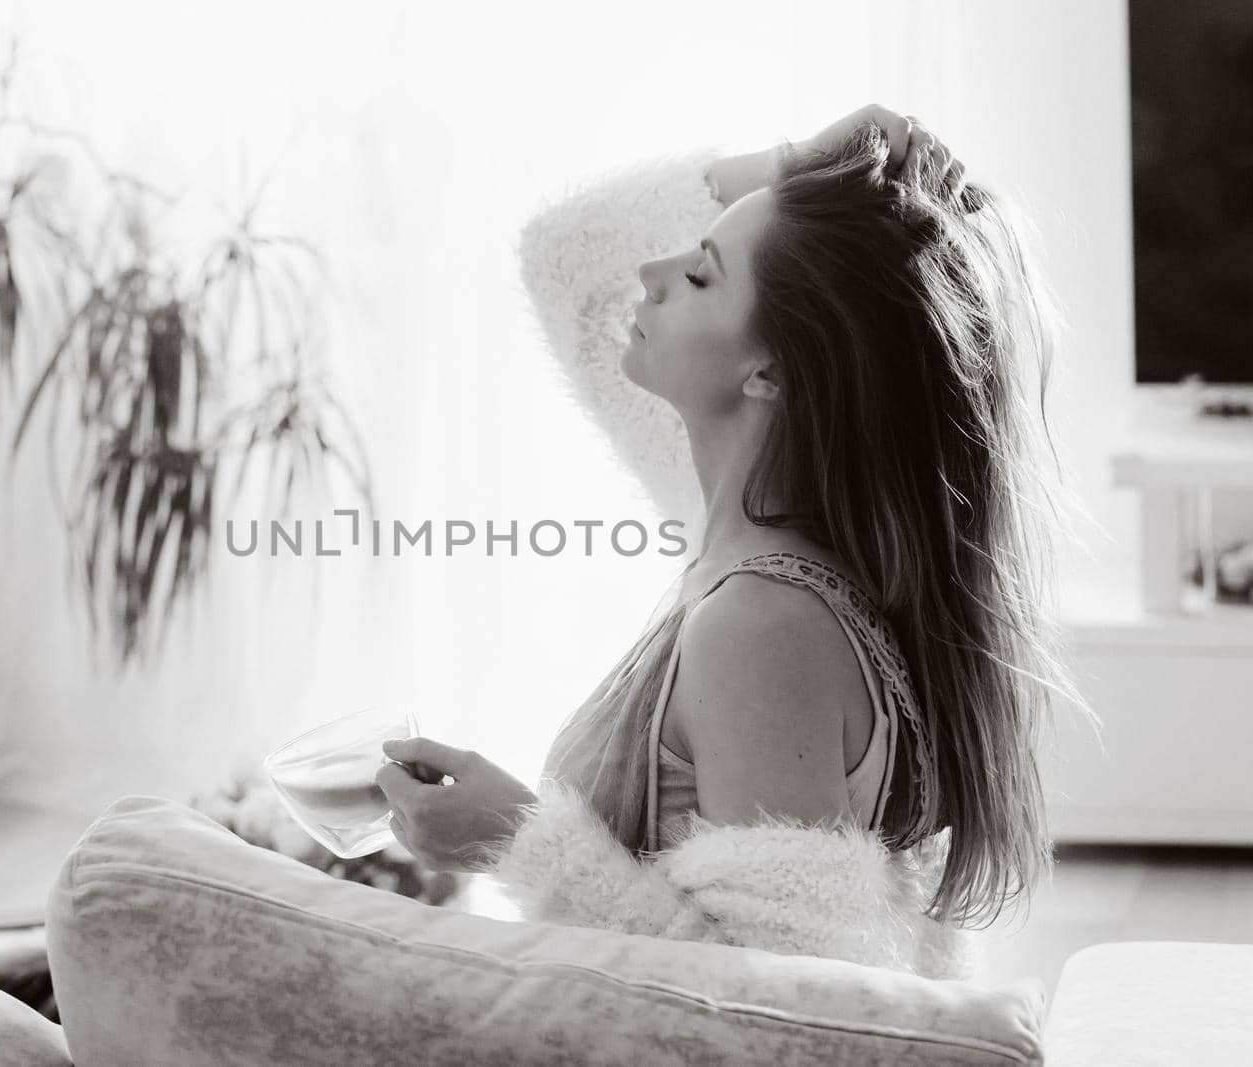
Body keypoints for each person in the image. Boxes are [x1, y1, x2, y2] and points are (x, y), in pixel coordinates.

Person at [375, 104, 1082, 977]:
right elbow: (566, 259)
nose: (650, 268)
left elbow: (782, 1007)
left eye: (702, 274)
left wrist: (515, 838)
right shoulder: (759, 520)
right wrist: (797, 165)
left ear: (769, 372)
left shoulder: (765, 625)